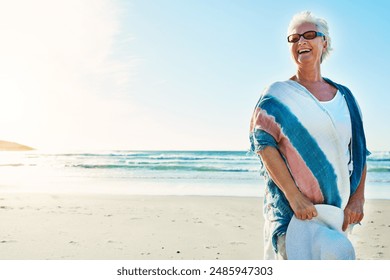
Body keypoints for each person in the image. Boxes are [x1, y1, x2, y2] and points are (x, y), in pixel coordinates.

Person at [249, 11, 369, 259]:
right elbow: (263, 144)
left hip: (336, 215)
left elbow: (358, 151)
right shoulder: (278, 95)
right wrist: (294, 197)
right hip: (293, 215)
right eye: (294, 38)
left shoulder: (345, 97)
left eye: (310, 35)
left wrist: (358, 198)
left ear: (324, 42)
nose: (301, 41)